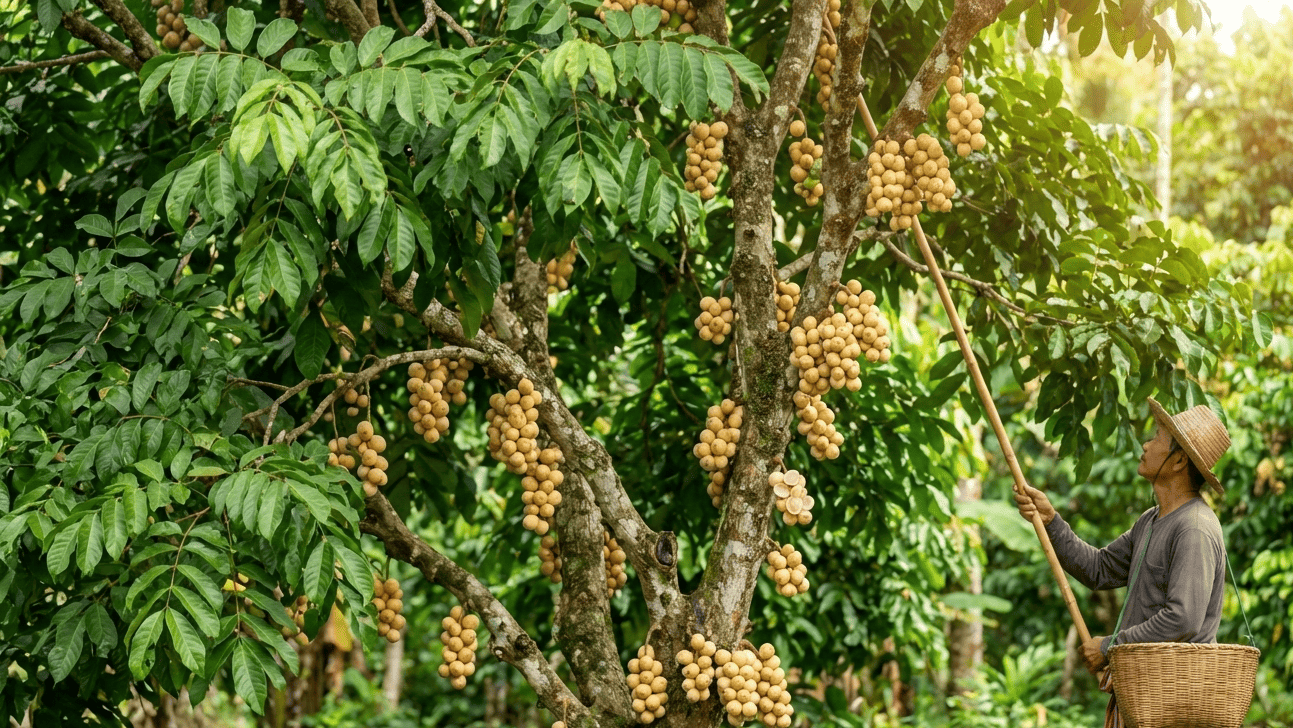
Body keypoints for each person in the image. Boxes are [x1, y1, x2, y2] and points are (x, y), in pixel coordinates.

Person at [1014, 397, 1231, 727]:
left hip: (1173, 703)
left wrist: (1109, 647)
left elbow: (1182, 619)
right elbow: (1099, 569)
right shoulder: (1150, 521)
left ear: (1178, 461)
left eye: (1157, 438)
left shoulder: (1194, 527)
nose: (1146, 445)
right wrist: (1051, 521)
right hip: (1143, 696)